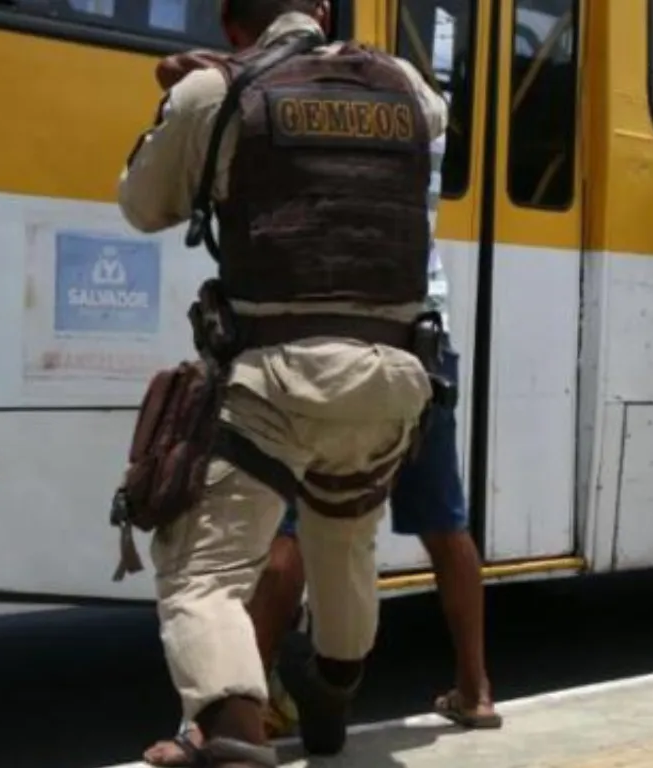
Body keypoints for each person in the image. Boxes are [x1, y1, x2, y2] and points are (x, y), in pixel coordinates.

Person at [139, 22, 500, 768]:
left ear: (231, 22)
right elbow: (433, 112)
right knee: (350, 540)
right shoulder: (406, 89)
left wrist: (201, 91)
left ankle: (230, 736)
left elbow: (144, 204)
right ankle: (336, 688)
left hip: (280, 375)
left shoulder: (225, 89)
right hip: (401, 372)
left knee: (208, 568)